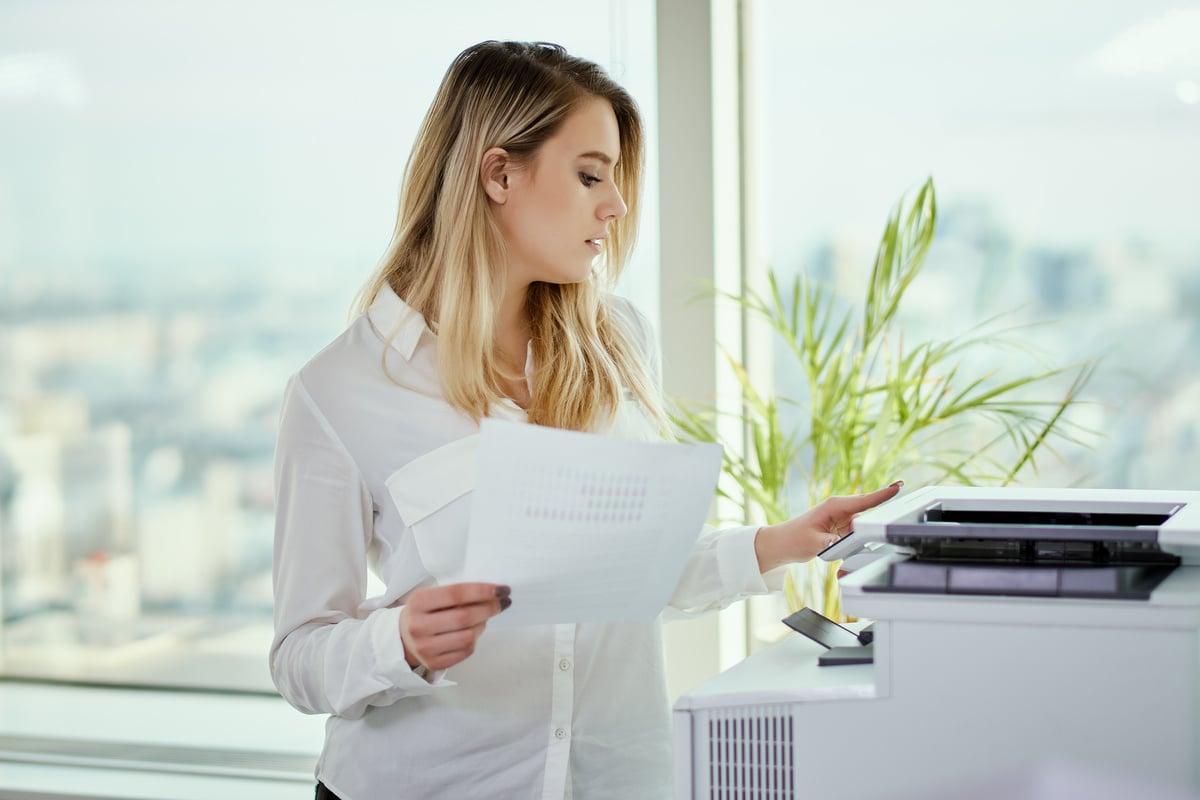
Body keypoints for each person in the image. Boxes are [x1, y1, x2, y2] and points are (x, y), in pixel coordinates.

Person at [270, 40, 901, 800]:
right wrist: (397, 642)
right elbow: (301, 653)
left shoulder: (619, 341)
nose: (617, 205)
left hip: (614, 779)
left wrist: (779, 544)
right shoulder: (338, 392)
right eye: (591, 175)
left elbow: (628, 572)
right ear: (499, 172)